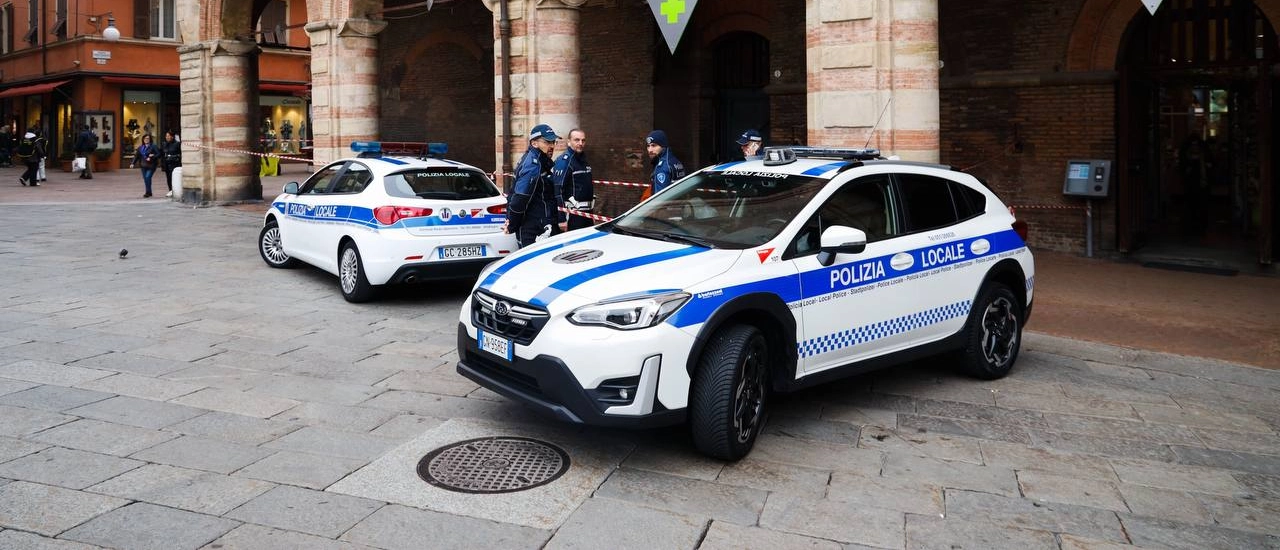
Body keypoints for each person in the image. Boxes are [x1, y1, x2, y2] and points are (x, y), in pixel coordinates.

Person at [506, 123, 564, 248]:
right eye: (548, 142)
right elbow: (519, 198)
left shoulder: (541, 161)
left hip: (542, 225)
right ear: (534, 143)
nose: (552, 146)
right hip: (535, 228)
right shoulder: (533, 165)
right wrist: (512, 224)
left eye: (553, 142)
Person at [553, 128, 594, 231]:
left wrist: (591, 215)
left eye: (583, 140)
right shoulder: (564, 161)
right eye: (577, 140)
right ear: (569, 142)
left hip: (587, 214)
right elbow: (558, 191)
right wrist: (561, 219)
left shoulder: (583, 160)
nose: (580, 143)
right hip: (572, 215)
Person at [645, 129, 684, 197]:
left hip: (668, 206)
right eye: (648, 146)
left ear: (663, 146)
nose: (650, 150)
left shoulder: (662, 167)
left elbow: (659, 198)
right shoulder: (675, 161)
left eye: (654, 145)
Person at [132, 134, 160, 198]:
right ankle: (149, 192)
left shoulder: (153, 146)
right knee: (146, 179)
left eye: (148, 138)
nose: (146, 140)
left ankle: (147, 192)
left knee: (147, 177)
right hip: (143, 166)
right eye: (145, 138)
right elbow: (136, 156)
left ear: (150, 140)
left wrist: (152, 156)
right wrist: (132, 163)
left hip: (151, 165)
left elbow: (159, 154)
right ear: (143, 139)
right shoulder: (140, 147)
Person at [160, 130, 182, 197]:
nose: (167, 137)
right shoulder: (164, 144)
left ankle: (174, 190)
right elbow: (161, 153)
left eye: (169, 136)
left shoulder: (177, 144)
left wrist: (175, 157)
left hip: (175, 164)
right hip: (167, 164)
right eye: (166, 136)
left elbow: (180, 153)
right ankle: (170, 190)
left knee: (174, 177)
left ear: (172, 137)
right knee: (168, 178)